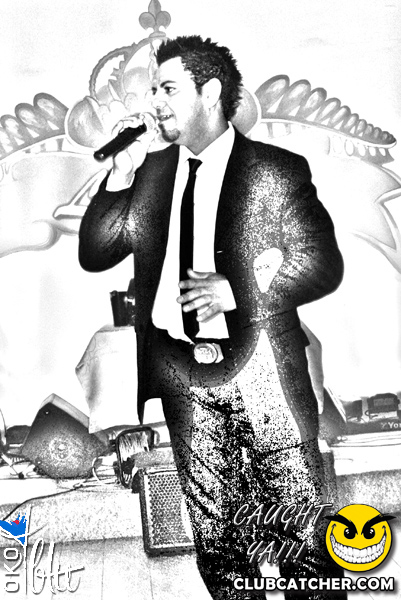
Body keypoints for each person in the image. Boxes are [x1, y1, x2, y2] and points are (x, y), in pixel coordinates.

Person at [79, 35, 346, 600]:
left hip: (263, 373)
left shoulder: (274, 169)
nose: (154, 102)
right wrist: (121, 175)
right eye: (153, 90)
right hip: (185, 375)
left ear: (211, 92)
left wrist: (240, 292)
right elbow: (96, 252)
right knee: (220, 547)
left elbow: (321, 263)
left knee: (301, 540)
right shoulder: (151, 174)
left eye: (167, 88)